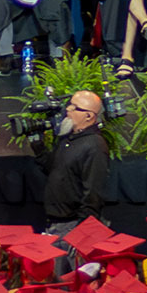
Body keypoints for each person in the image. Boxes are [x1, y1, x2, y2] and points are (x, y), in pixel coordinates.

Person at [41, 88, 110, 222]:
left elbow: (93, 192)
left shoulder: (94, 146)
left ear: (89, 116)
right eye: (69, 105)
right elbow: (53, 169)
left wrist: (82, 230)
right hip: (55, 219)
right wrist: (38, 146)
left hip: (72, 223)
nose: (68, 110)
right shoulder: (67, 137)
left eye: (74, 107)